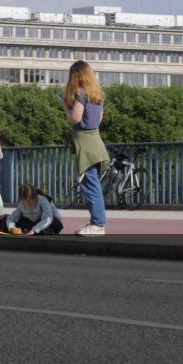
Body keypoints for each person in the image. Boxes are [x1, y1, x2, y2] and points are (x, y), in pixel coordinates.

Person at [63, 60, 111, 236]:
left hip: (85, 144)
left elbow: (76, 118)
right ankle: (96, 222)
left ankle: (98, 224)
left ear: (75, 76)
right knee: (93, 183)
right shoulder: (97, 96)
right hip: (96, 142)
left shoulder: (80, 93)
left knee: (90, 185)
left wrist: (65, 108)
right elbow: (97, 121)